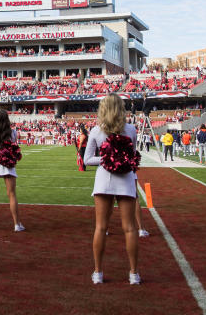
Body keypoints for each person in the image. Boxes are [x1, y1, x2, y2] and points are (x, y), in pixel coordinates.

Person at [84, 94, 141, 285]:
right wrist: (115, 159)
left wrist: (106, 160)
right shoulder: (131, 129)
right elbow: (132, 155)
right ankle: (133, 274)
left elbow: (87, 159)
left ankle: (98, 272)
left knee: (101, 227)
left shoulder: (96, 131)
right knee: (130, 228)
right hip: (125, 179)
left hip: (104, 180)